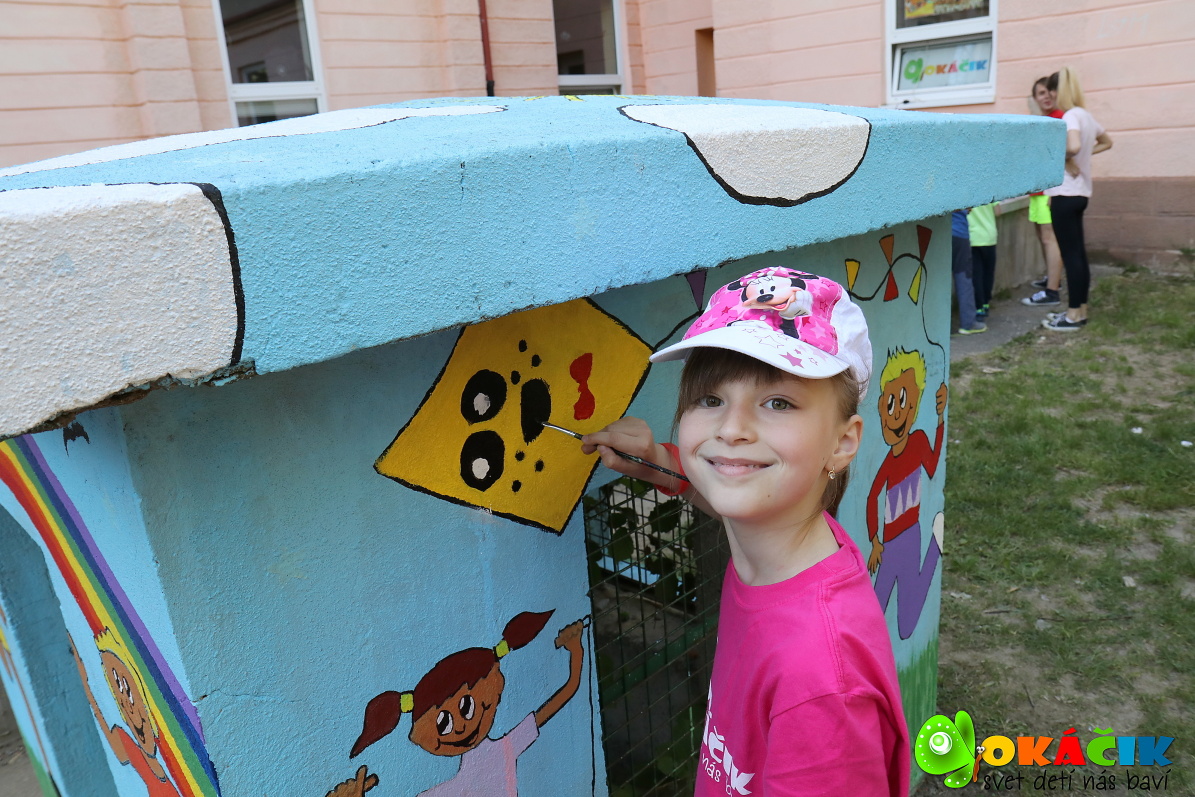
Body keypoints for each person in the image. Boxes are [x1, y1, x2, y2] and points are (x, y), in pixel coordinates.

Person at [581, 267, 910, 797]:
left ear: (843, 443)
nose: (731, 429)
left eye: (778, 403)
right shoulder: (792, 539)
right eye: (710, 399)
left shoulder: (820, 684)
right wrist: (656, 461)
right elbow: (737, 494)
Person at [330, 610, 586, 797]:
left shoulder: (503, 751)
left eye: (466, 707)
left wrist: (576, 650)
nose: (462, 727)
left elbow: (564, 694)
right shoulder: (453, 786)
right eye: (444, 723)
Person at [1041, 66, 1113, 331]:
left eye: (1051, 92)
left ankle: (1072, 316)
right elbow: (1107, 142)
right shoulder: (1086, 116)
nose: (1050, 97)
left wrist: (1064, 157)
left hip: (1065, 194)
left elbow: (1073, 146)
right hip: (1080, 194)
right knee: (1078, 255)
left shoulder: (1070, 115)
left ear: (1058, 91)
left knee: (1071, 256)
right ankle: (1080, 310)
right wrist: (1082, 157)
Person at [1022, 74, 1067, 307]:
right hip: (1038, 191)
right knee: (1043, 237)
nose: (1046, 96)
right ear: (1035, 98)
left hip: (1050, 191)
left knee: (1050, 238)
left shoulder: (1060, 119)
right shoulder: (1044, 120)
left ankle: (1052, 292)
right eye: (1041, 93)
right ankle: (1053, 279)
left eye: (1049, 91)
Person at [951, 210, 987, 334]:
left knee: (938, 280)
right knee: (963, 278)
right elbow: (969, 207)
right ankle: (968, 323)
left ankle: (938, 328)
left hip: (938, 233)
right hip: (959, 233)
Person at [968, 202, 999, 319]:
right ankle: (986, 302)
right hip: (989, 237)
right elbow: (998, 211)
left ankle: (979, 306)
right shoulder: (989, 192)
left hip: (973, 237)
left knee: (976, 274)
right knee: (988, 273)